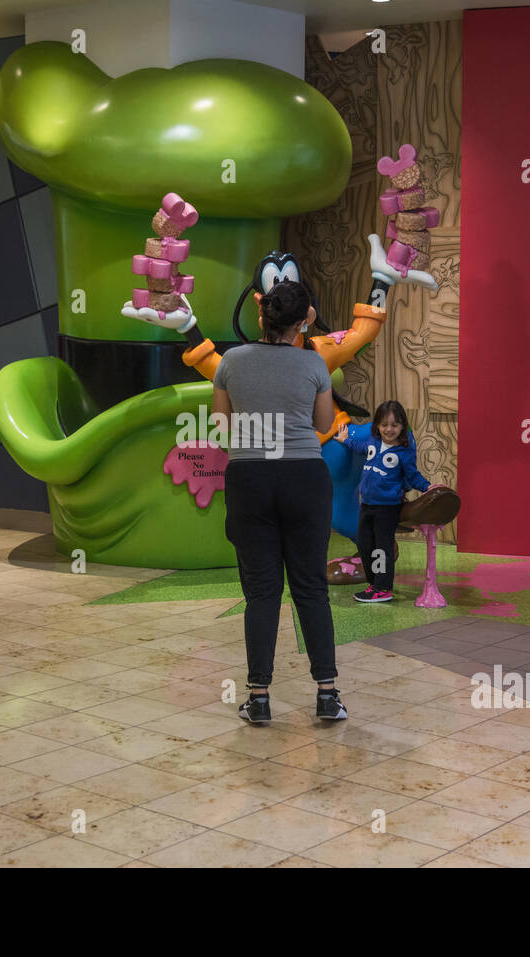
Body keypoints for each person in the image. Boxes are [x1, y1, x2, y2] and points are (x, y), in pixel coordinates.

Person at [212, 280, 346, 724]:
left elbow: (220, 422)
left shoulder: (231, 361)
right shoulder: (314, 363)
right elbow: (324, 422)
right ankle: (327, 695)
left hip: (249, 476)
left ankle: (260, 698)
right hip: (305, 477)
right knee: (311, 589)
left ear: (261, 317)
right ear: (305, 318)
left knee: (262, 592)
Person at [336, 400, 436, 602]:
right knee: (365, 545)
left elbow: (413, 475)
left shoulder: (403, 451)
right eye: (384, 425)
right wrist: (345, 440)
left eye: (394, 425)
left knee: (382, 548)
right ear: (377, 426)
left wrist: (427, 487)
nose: (388, 429)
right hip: (367, 505)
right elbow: (360, 447)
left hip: (387, 508)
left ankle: (383, 588)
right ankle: (374, 584)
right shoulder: (373, 442)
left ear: (402, 426)